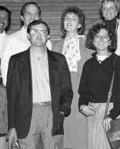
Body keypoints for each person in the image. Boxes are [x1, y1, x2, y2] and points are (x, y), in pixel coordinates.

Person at [7, 20, 73, 149]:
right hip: (26, 114)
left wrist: (61, 111)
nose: (39, 35)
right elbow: (12, 95)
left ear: (48, 36)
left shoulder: (59, 60)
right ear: (28, 35)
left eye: (43, 32)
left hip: (52, 113)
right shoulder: (16, 60)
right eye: (34, 31)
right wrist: (12, 126)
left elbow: (67, 90)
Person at [78, 23, 120, 149]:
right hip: (94, 112)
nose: (101, 39)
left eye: (105, 36)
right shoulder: (88, 64)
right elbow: (83, 90)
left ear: (110, 41)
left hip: (114, 110)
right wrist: (82, 106)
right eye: (97, 36)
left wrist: (113, 113)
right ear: (93, 40)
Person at [51, 6, 92, 149]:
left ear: (80, 24)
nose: (69, 21)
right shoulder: (54, 45)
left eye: (74, 19)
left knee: (80, 127)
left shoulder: (88, 44)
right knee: (63, 127)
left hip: (81, 89)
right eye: (66, 18)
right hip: (60, 90)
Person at [1, 1, 51, 85]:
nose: (33, 17)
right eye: (28, 14)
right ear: (22, 17)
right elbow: (5, 68)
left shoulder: (47, 41)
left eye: (36, 14)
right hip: (20, 89)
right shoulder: (11, 39)